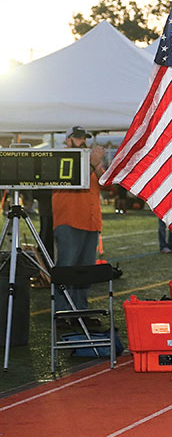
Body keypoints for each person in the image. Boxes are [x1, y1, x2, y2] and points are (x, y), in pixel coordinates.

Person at [52, 126, 105, 316]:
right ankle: (61, 312)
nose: (82, 141)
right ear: (67, 141)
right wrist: (93, 165)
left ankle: (80, 311)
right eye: (77, 138)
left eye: (84, 138)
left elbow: (106, 184)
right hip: (70, 221)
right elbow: (74, 180)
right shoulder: (62, 158)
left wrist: (98, 167)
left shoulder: (89, 159)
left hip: (90, 221)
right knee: (67, 268)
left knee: (85, 271)